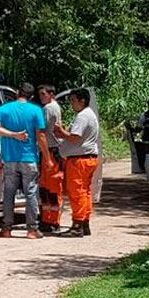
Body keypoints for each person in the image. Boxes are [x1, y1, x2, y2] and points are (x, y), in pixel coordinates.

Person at [0, 82, 54, 239]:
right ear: (32, 96)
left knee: (8, 194)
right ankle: (32, 230)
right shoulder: (36, 111)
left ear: (17, 92)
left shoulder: (4, 109)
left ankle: (6, 229)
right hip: (28, 158)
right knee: (31, 193)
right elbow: (40, 136)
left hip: (9, 158)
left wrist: (12, 134)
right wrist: (48, 158)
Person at [54, 89, 100, 238]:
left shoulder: (82, 116)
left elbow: (74, 138)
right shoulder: (90, 115)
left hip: (79, 160)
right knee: (85, 191)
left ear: (82, 101)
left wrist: (61, 132)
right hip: (88, 158)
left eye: (73, 100)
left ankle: (77, 225)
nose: (72, 104)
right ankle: (84, 222)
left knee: (77, 192)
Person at [37, 84, 65, 234]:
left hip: (50, 152)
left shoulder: (48, 109)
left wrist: (46, 157)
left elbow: (42, 132)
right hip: (51, 151)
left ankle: (52, 221)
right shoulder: (54, 107)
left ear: (51, 94)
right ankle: (49, 220)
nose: (41, 97)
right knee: (48, 188)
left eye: (43, 94)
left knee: (52, 188)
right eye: (40, 94)